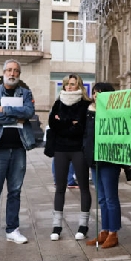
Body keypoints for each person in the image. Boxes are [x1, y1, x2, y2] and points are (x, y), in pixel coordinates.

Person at [0, 59, 36, 247]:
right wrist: (16, 115)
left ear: (19, 74)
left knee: (15, 191)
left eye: (16, 71)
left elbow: (29, 112)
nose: (12, 74)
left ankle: (12, 229)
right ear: (3, 72)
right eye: (9, 70)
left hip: (19, 148)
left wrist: (4, 109)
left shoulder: (25, 93)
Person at [48, 74, 92, 241]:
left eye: (72, 84)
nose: (69, 87)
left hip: (78, 149)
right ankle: (57, 225)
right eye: (66, 84)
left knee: (83, 187)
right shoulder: (58, 102)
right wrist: (69, 123)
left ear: (79, 86)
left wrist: (64, 123)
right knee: (60, 187)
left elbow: (81, 128)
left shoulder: (85, 105)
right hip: (60, 149)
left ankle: (83, 225)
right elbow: (53, 124)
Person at [83, 82, 121, 248]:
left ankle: (113, 232)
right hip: (93, 158)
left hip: (110, 159)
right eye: (95, 93)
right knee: (101, 198)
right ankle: (104, 230)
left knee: (111, 197)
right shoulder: (88, 111)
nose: (96, 96)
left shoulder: (115, 112)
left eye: (100, 93)